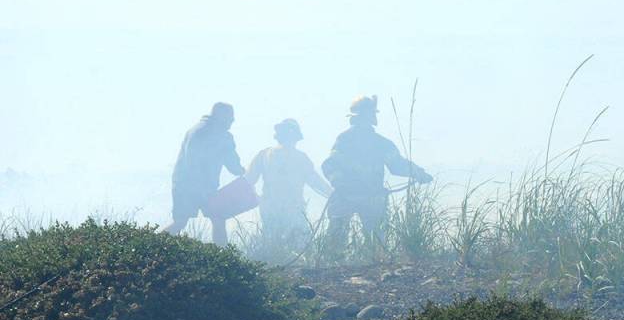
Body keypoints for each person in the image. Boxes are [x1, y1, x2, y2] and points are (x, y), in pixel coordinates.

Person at [322, 95, 432, 243]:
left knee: (374, 240)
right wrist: (340, 183)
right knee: (346, 237)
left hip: (367, 196)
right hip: (354, 196)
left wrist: (419, 173)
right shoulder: (349, 141)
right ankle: (339, 262)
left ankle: (366, 261)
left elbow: (397, 164)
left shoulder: (363, 141)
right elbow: (330, 165)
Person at [162, 102, 245, 246]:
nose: (232, 121)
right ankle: (151, 246)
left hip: (203, 187)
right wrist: (202, 189)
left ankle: (223, 258)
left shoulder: (223, 136)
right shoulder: (199, 132)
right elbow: (192, 162)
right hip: (187, 187)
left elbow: (233, 165)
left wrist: (242, 172)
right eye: (230, 118)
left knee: (218, 219)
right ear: (220, 116)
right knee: (181, 222)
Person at [246, 119, 332, 247]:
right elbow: (315, 182)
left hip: (271, 207)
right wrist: (332, 193)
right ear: (296, 137)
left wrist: (258, 199)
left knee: (272, 244)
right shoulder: (301, 158)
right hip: (293, 208)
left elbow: (248, 181)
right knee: (299, 243)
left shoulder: (264, 155)